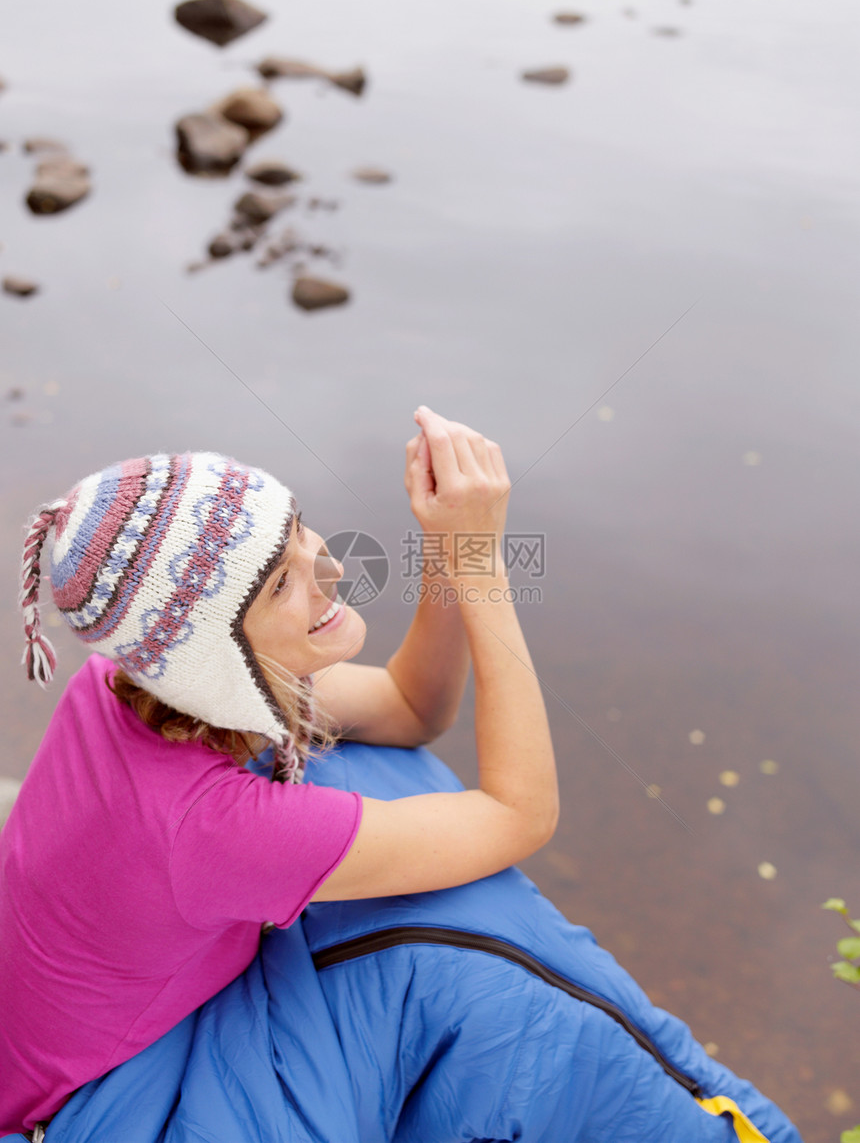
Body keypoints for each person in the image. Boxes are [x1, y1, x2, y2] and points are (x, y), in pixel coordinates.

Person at [0, 408, 801, 1142]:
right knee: (459, 956)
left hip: (70, 1043)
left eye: (300, 530)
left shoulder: (136, 686)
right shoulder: (208, 827)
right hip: (109, 1105)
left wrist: (446, 551)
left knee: (369, 773)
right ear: (214, 662)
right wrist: (483, 564)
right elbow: (520, 815)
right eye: (282, 582)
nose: (329, 567)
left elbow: (411, 708)